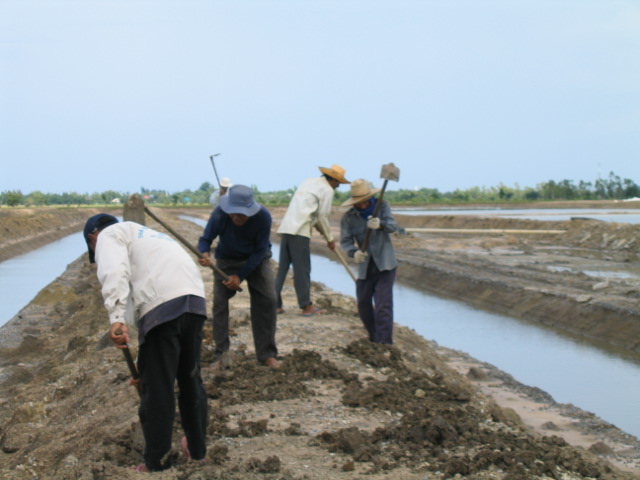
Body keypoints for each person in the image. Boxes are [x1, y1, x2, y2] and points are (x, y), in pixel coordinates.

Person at [83, 213, 208, 472]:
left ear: (93, 238)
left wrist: (116, 318)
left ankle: (157, 462)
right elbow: (140, 303)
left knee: (158, 389)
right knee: (190, 379)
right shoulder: (147, 236)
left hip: (164, 306)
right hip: (194, 302)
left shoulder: (108, 235)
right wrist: (144, 365)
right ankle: (197, 451)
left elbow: (115, 272)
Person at [197, 184, 279, 371]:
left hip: (257, 260)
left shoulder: (263, 217)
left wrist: (240, 276)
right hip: (227, 259)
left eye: (241, 214)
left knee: (268, 299)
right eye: (233, 213)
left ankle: (267, 354)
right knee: (219, 304)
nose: (236, 217)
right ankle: (221, 355)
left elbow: (260, 250)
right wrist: (203, 253)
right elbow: (205, 239)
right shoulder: (219, 214)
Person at [274, 164, 350, 316]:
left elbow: (314, 216)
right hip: (300, 231)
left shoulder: (309, 182)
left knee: (282, 269)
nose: (337, 187)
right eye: (338, 184)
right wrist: (329, 238)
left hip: (287, 228)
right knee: (302, 270)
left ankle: (274, 305)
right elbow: (321, 217)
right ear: (334, 181)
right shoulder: (327, 190)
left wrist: (325, 235)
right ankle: (306, 306)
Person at [340, 179, 399, 344]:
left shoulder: (382, 207)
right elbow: (345, 242)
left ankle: (385, 343)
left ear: (370, 198)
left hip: (385, 264)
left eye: (365, 202)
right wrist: (354, 253)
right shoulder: (349, 218)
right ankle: (374, 338)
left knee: (383, 305)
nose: (363, 206)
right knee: (364, 304)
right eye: (359, 203)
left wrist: (381, 225)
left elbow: (393, 226)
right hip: (365, 266)